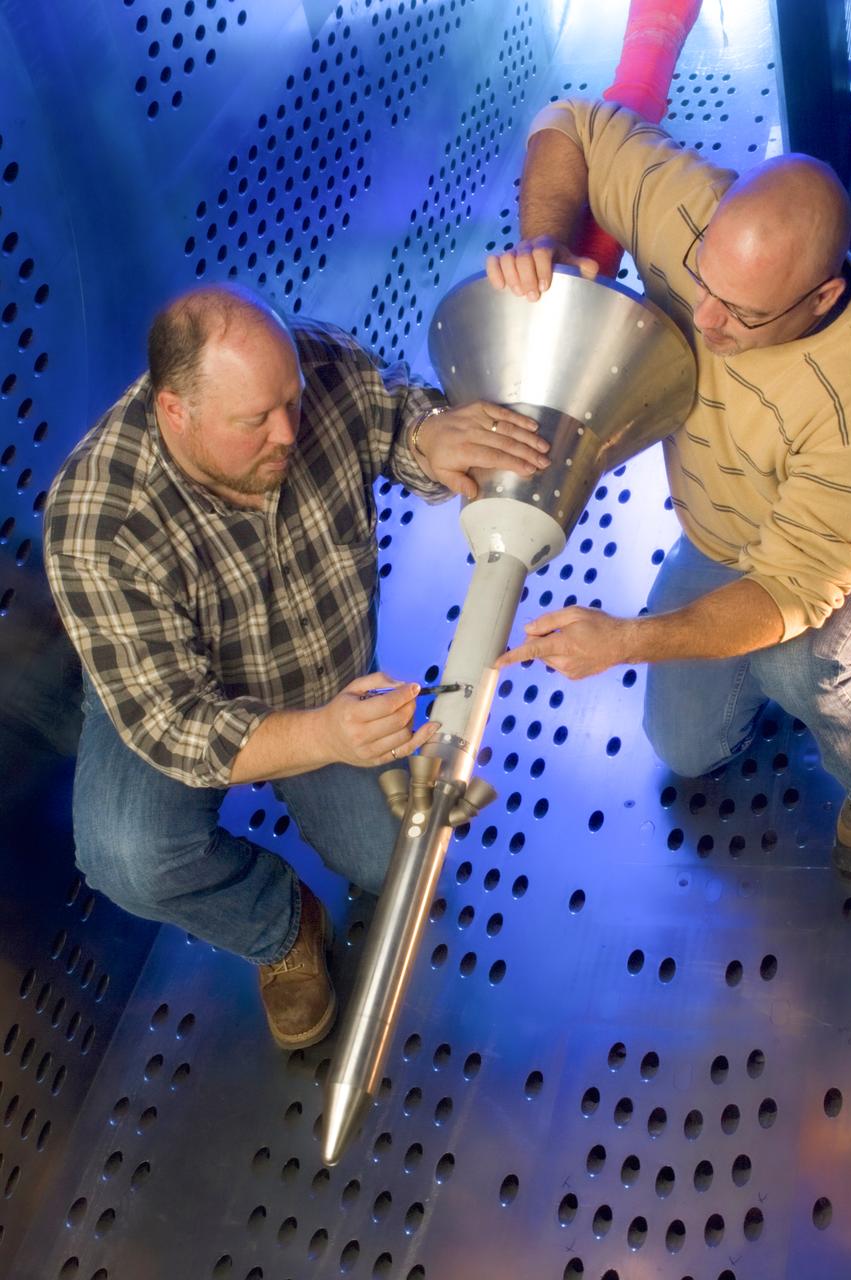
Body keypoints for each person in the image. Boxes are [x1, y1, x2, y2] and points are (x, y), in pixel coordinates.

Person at [43, 283, 548, 1050]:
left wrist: (430, 437)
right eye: (255, 421)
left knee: (397, 863)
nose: (289, 430)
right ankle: (280, 926)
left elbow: (395, 418)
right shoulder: (97, 524)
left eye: (293, 400)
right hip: (175, 699)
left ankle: (327, 804)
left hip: (320, 678)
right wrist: (325, 738)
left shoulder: (312, 367)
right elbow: (181, 730)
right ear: (176, 412)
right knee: (128, 854)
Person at [487, 98, 851, 879]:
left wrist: (626, 640)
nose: (702, 321)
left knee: (796, 660)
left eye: (741, 315)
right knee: (686, 749)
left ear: (820, 300)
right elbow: (565, 122)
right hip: (724, 528)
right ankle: (790, 681)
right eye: (702, 281)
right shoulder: (691, 208)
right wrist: (544, 239)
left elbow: (788, 590)